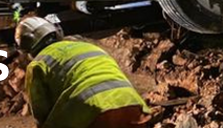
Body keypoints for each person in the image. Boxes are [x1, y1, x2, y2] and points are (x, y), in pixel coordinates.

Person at [16, 15, 151, 128]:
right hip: (132, 106)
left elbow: (41, 112)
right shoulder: (87, 47)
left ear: (27, 50)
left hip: (90, 113)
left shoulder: (38, 64)